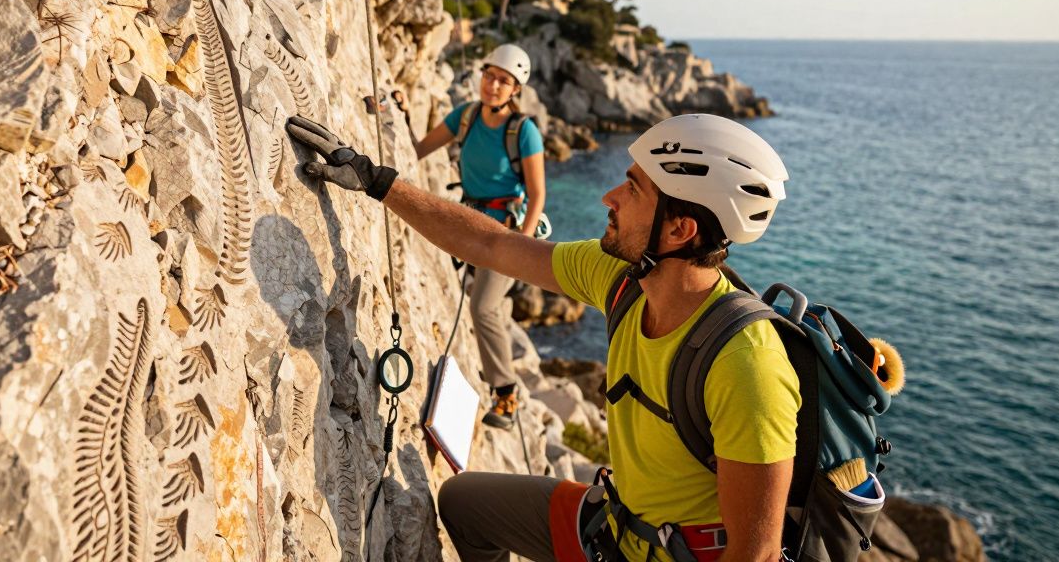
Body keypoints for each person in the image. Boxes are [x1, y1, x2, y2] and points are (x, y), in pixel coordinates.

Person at [285, 112, 799, 561]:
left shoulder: (746, 365)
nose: (610, 197)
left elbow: (755, 553)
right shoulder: (623, 281)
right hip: (614, 529)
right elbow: (493, 244)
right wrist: (378, 182)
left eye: (633, 189)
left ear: (680, 230)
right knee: (464, 503)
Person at [402, 44, 546, 430]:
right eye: (490, 75)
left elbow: (537, 195)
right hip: (469, 221)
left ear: (515, 90)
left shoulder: (524, 131)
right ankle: (496, 377)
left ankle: (506, 394)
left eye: (504, 81)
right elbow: (417, 150)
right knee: (484, 306)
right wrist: (399, 113)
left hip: (505, 232)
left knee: (483, 307)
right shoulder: (465, 117)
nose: (493, 85)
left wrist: (524, 245)